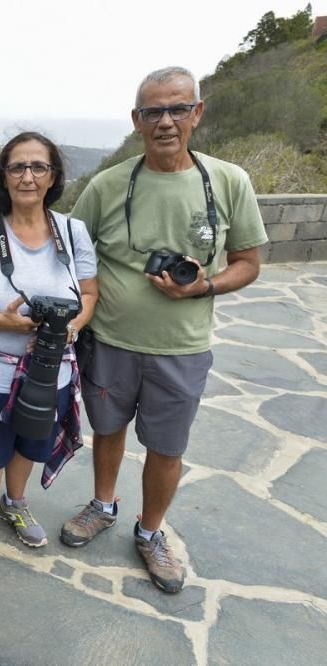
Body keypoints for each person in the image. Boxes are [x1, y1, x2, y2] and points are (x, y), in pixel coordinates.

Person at [61, 66, 268, 593]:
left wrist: (205, 287)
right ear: (136, 121)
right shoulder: (108, 186)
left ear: (197, 113)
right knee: (106, 429)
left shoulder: (228, 181)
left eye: (178, 108)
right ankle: (103, 504)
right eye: (153, 111)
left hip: (182, 348)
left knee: (168, 447)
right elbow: (73, 256)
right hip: (108, 340)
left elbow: (248, 261)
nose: (166, 121)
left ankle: (150, 532)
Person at [0, 131, 98, 583]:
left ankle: (17, 502)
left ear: (53, 177)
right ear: (4, 177)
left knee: (31, 440)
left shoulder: (73, 232)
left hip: (51, 369)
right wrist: (4, 322)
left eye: (38, 167)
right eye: (17, 167)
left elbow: (89, 293)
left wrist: (72, 327)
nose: (28, 176)